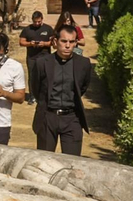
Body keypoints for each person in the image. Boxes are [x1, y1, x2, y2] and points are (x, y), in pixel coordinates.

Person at [28, 25, 94, 156]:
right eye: (64, 41)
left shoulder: (84, 63)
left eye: (71, 42)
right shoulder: (42, 63)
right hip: (48, 116)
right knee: (44, 160)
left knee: (72, 161)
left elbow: (82, 87)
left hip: (72, 118)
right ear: (55, 41)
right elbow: (36, 88)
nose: (67, 46)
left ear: (76, 43)